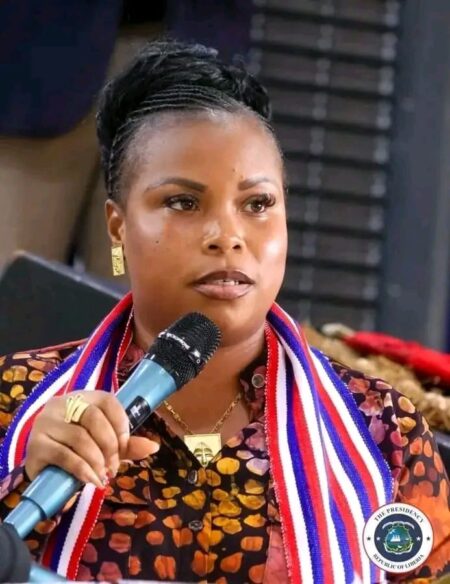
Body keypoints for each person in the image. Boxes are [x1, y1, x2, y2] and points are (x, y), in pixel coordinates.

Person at [0, 40, 449, 584]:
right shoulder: (16, 401)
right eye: (183, 203)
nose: (228, 236)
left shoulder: (383, 429)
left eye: (257, 204)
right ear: (118, 227)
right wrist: (24, 478)